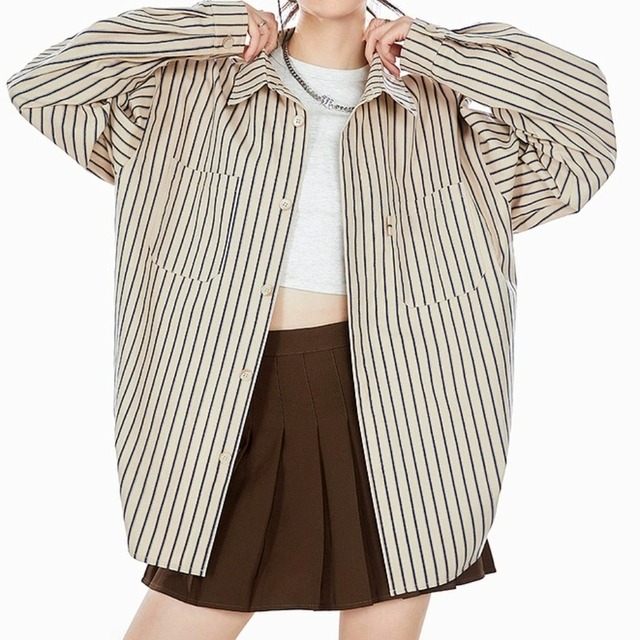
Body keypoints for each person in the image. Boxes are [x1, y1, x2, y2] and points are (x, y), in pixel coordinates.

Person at [6, 1, 616, 639]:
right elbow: (44, 87)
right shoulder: (186, 92)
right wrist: (211, 27)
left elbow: (586, 133)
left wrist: (439, 51)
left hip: (407, 403)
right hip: (224, 398)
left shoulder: (447, 113)